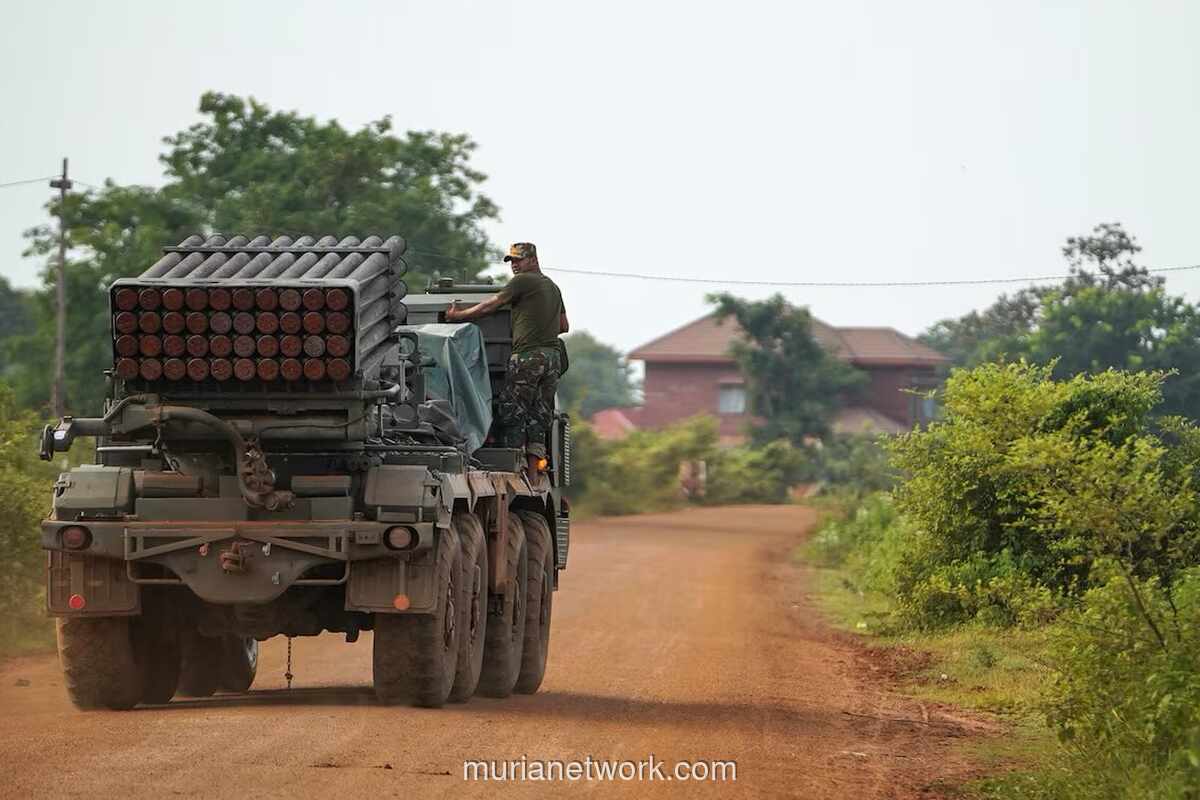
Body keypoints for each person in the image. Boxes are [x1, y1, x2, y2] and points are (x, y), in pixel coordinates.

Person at [445, 242, 568, 465]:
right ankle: (532, 471)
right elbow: (563, 325)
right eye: (511, 261)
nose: (514, 265)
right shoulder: (552, 287)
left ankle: (514, 466)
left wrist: (458, 316)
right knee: (539, 415)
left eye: (519, 260)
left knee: (512, 412)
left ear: (533, 260)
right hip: (552, 359)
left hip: (527, 356)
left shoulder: (523, 281)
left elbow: (492, 305)